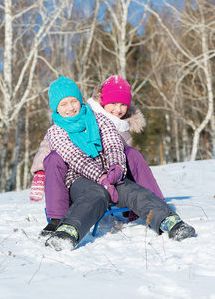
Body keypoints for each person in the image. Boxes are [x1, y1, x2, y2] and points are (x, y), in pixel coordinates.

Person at [41, 76, 195, 251]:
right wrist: (102, 179)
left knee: (131, 190)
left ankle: (170, 222)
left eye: (73, 101)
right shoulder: (55, 132)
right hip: (79, 178)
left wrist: (116, 169)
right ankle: (68, 232)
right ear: (56, 108)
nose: (70, 107)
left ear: (80, 100)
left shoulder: (99, 119)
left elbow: (114, 144)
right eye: (64, 104)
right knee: (96, 194)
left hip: (110, 173)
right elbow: (75, 157)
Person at [30, 75, 165, 234]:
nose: (118, 109)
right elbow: (53, 149)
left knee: (131, 153)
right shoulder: (76, 121)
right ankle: (56, 218)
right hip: (79, 174)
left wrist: (115, 169)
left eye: (123, 105)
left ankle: (155, 205)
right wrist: (40, 170)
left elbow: (117, 149)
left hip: (111, 170)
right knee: (53, 158)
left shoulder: (119, 125)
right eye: (113, 103)